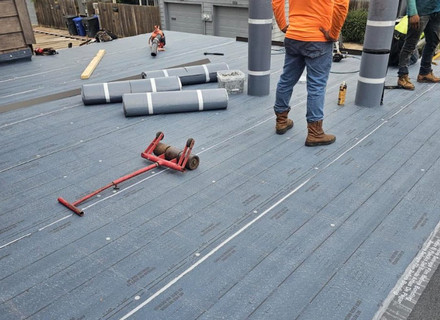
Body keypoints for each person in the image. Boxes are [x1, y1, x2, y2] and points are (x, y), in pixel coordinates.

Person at [272, 0, 349, 147]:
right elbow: (341, 5)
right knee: (317, 86)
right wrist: (334, 33)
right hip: (319, 38)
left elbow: (277, 1)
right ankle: (315, 133)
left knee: (286, 79)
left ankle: (281, 121)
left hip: (294, 36)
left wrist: (282, 25)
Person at [397, 0, 440, 90]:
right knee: (410, 45)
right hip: (420, 12)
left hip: (436, 11)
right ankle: (402, 76)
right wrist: (412, 12)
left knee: (433, 42)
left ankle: (425, 72)